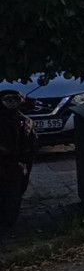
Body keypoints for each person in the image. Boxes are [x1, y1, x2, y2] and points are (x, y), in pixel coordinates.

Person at [0, 90, 37, 230]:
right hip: (6, 160)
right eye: (8, 100)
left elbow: (31, 146)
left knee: (18, 188)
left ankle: (8, 222)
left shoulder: (25, 121)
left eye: (15, 100)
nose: (11, 103)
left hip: (19, 162)